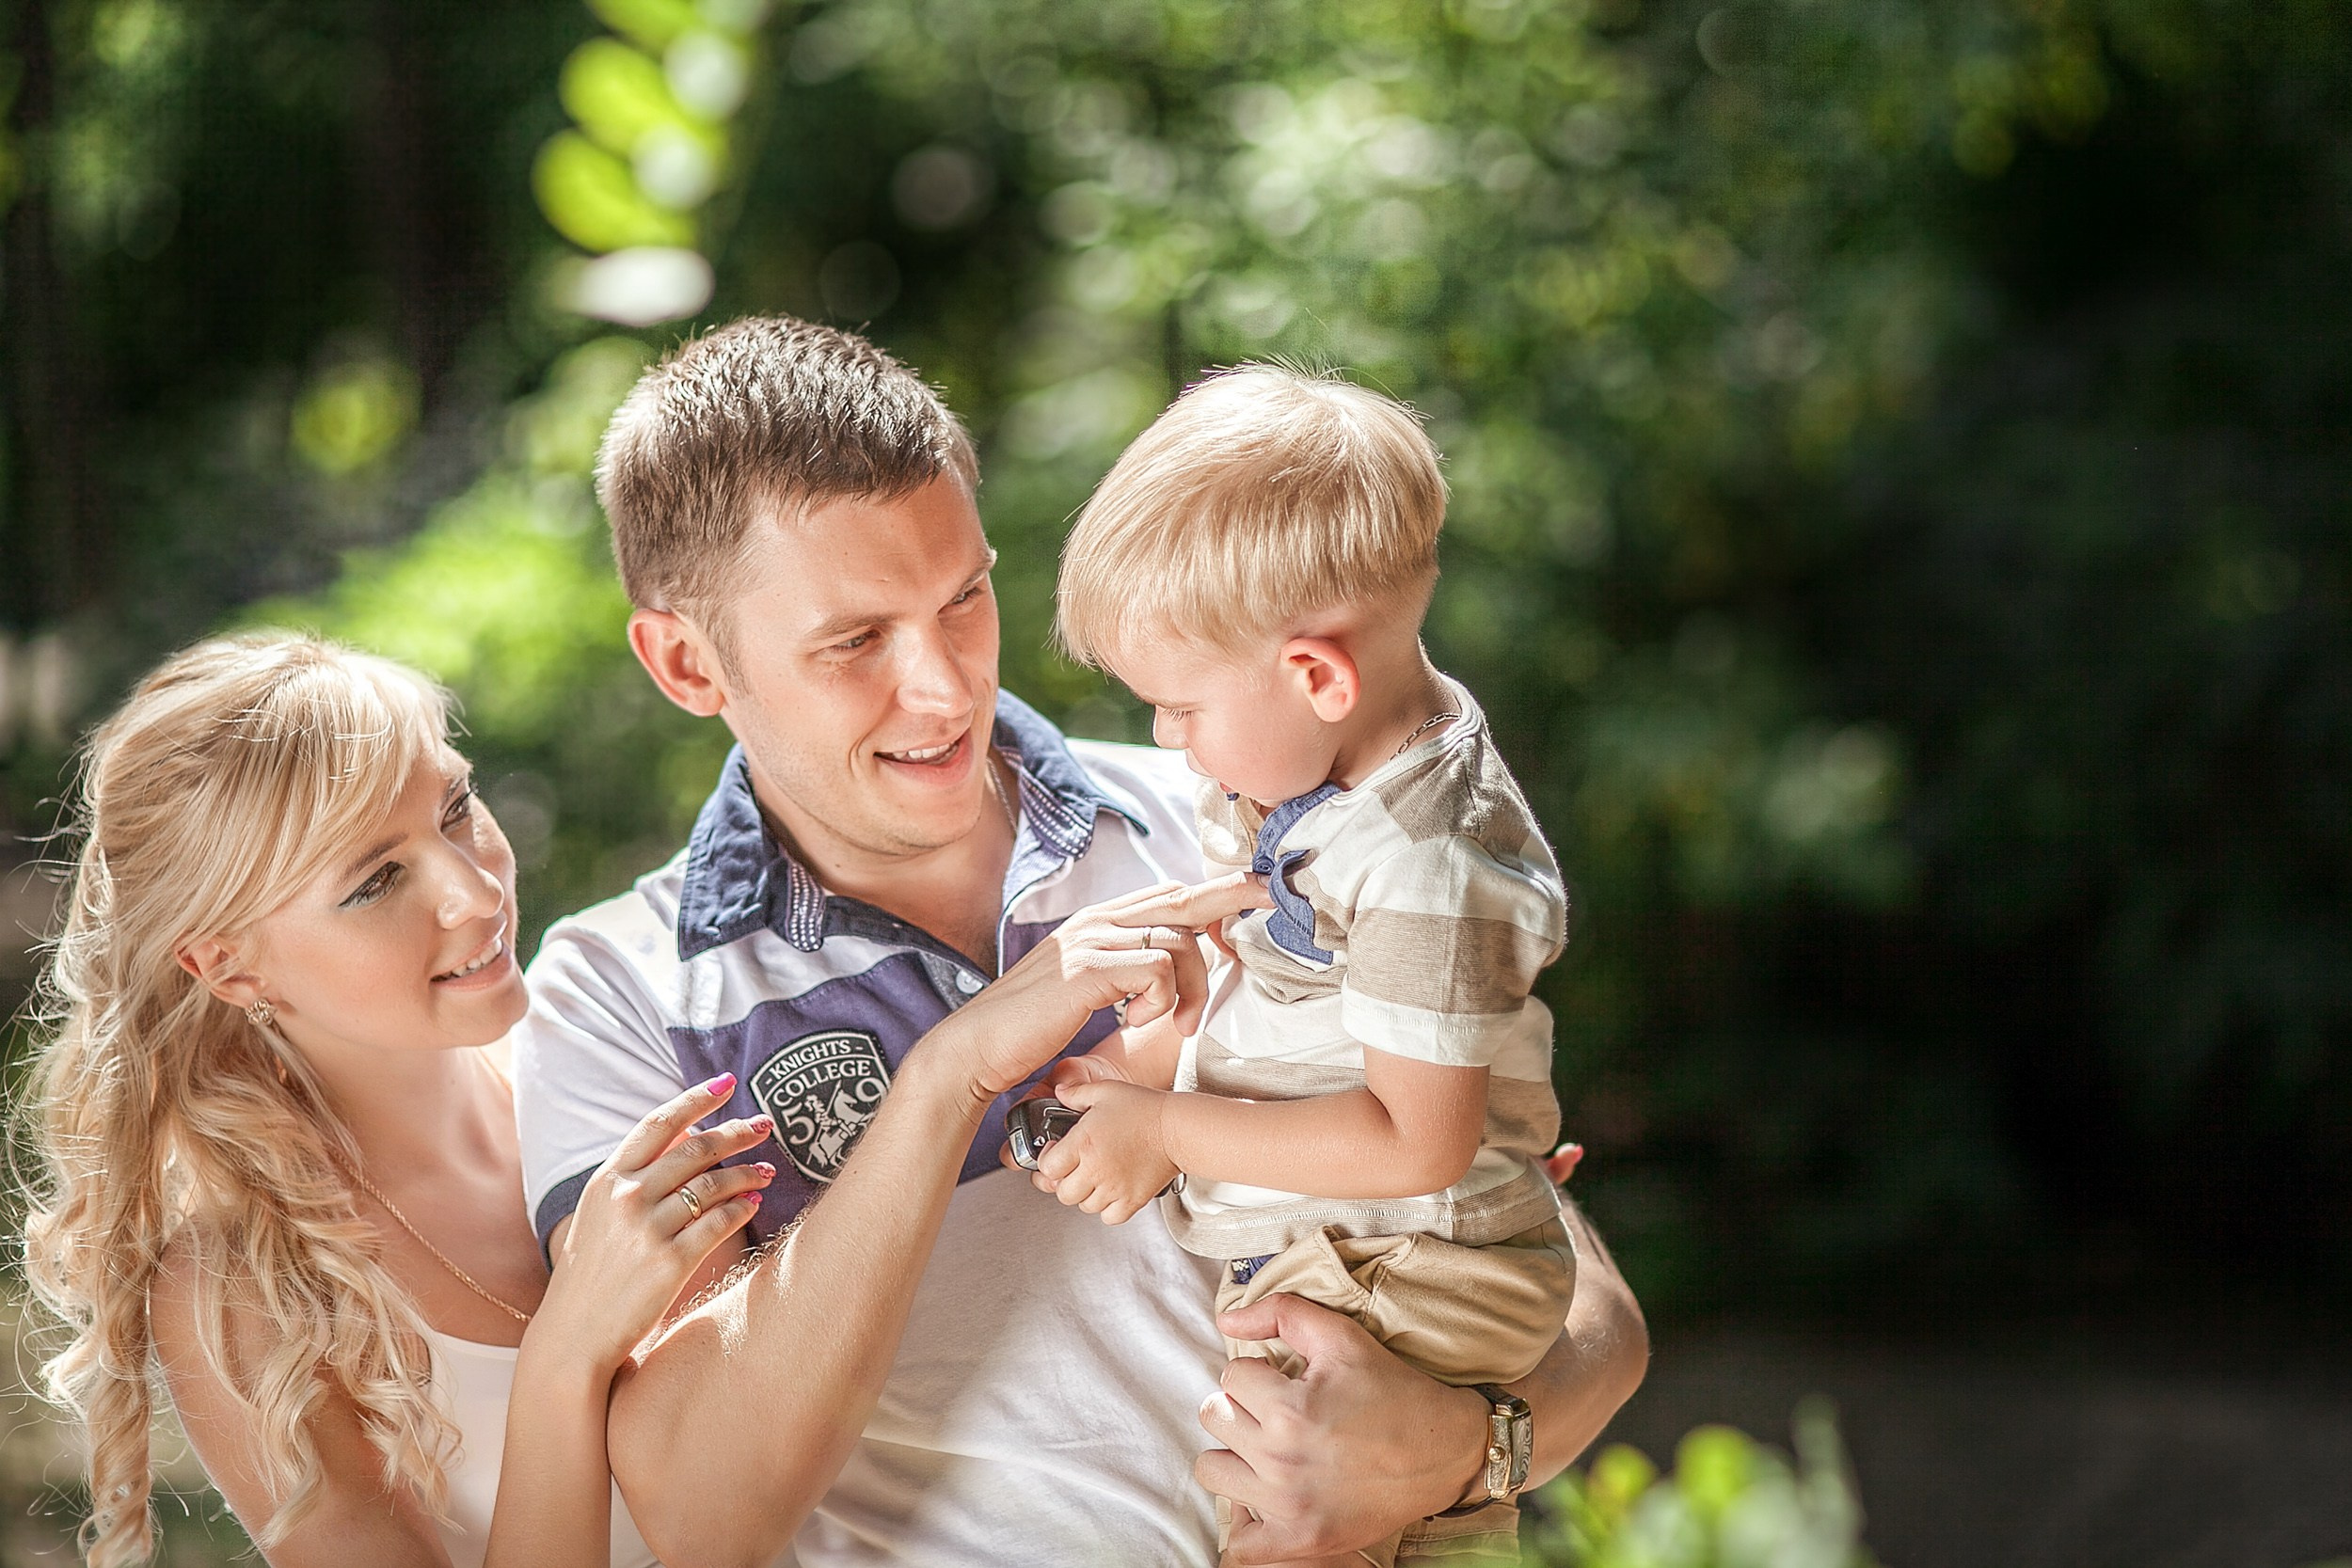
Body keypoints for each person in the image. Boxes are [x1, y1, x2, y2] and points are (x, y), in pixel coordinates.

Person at [514, 314, 1649, 1568]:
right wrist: (952, 1075)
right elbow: (703, 1512)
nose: (946, 684)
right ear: (686, 662)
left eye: (964, 597)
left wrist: (1464, 1448)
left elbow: (1580, 1297)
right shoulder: (615, 992)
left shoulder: (1245, 803)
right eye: (856, 640)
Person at [17, 633, 785, 1568]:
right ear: (228, 965)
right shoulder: (244, 1290)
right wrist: (565, 1356)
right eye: (376, 881)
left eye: (456, 808)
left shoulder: (616, 1052)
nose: (476, 890)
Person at [1043, 364, 1578, 1567]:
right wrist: (1205, 977)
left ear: (1317, 676)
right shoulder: (1336, 760)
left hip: (1401, 1277)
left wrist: (1163, 1128)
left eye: (1180, 708)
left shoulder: (1426, 859)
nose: (1167, 740)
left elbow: (1414, 1142)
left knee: (1291, 1534)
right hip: (1359, 1256)